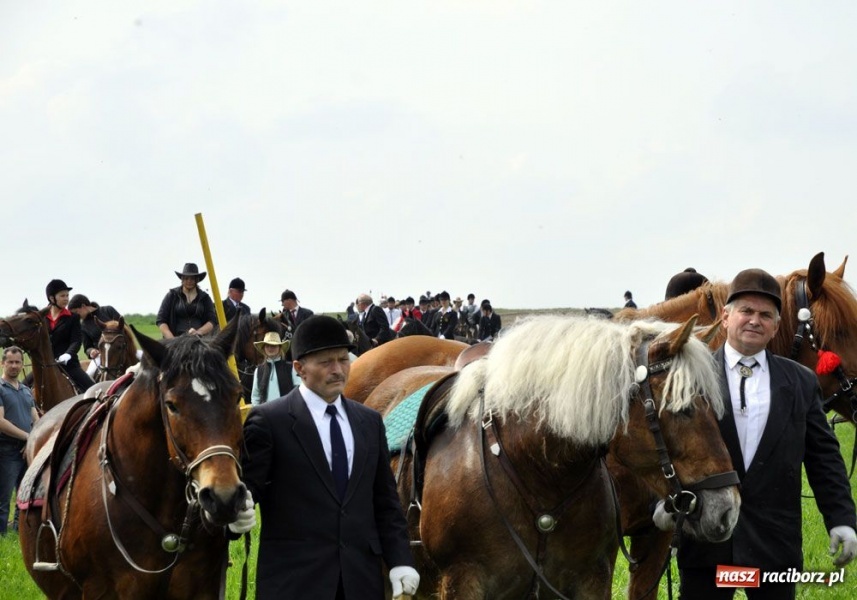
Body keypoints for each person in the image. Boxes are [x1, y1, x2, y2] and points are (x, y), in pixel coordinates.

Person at [655, 267, 857, 599]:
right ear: (725, 317)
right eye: (746, 311)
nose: (754, 320)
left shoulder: (800, 383)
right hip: (708, 547)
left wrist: (842, 520)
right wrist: (663, 502)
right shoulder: (692, 377)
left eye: (765, 314)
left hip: (773, 551)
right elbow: (667, 444)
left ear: (776, 325)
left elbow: (824, 459)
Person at [239, 315, 420, 599]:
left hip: (360, 582)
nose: (338, 370)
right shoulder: (269, 421)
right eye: (326, 362)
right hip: (294, 584)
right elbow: (245, 494)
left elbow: (385, 503)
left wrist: (400, 560)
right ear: (299, 368)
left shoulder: (370, 422)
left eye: (343, 359)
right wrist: (234, 516)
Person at [0, 346, 38, 535]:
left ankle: (18, 532)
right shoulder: (0, 388)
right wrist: (28, 437)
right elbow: (0, 422)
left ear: (22, 364)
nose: (14, 366)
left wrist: (34, 439)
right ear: (2, 363)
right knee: (3, 497)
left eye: (18, 362)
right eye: (10, 362)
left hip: (26, 449)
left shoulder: (25, 390)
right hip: (6, 449)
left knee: (25, 494)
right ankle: (2, 536)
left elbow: (35, 418)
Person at [44, 279, 96, 393]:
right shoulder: (42, 318)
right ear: (52, 298)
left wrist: (68, 354)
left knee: (94, 391)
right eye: (62, 296)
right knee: (23, 386)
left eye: (67, 295)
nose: (66, 299)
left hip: (69, 365)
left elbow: (76, 341)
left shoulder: (73, 318)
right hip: (46, 365)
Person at [156, 263, 217, 339]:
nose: (189, 281)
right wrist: (172, 340)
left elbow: (212, 321)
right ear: (182, 279)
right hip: (174, 338)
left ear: (197, 279)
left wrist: (198, 332)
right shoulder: (172, 295)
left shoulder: (205, 297)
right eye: (186, 278)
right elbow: (161, 320)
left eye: (192, 278)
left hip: (199, 340)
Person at [67, 294, 122, 362]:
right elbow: (87, 347)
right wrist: (91, 351)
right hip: (101, 356)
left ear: (83, 306)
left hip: (122, 351)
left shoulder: (108, 310)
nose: (76, 316)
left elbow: (124, 329)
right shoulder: (83, 326)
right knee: (89, 372)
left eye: (76, 312)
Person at [250, 331, 294, 405]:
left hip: (288, 413)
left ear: (280, 348)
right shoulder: (258, 370)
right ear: (264, 348)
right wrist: (259, 413)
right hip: (266, 414)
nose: (270, 348)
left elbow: (299, 390)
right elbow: (255, 397)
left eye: (274, 345)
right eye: (267, 346)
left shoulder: (291, 368)